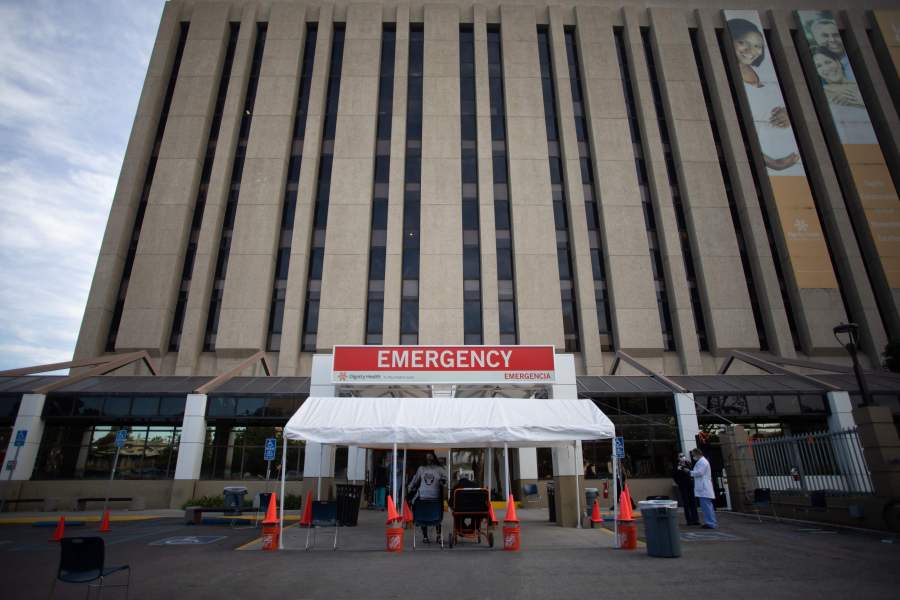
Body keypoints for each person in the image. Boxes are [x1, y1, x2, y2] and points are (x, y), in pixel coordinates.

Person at [728, 18, 803, 175]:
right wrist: (772, 162)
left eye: (757, 46)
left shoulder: (766, 76)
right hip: (772, 166)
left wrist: (787, 112)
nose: (751, 50)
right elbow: (734, 133)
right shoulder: (723, 78)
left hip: (795, 159)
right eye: (743, 42)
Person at [408, 452, 447, 543]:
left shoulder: (438, 469)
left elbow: (446, 481)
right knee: (431, 514)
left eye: (430, 457)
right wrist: (410, 487)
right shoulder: (422, 469)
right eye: (427, 457)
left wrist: (409, 488)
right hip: (427, 498)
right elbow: (415, 481)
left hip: (432, 498)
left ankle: (434, 535)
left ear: (434, 458)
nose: (429, 459)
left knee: (427, 513)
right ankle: (428, 536)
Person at [687, 448, 717, 529]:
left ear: (697, 454)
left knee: (706, 506)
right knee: (706, 506)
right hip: (703, 487)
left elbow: (700, 473)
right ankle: (710, 522)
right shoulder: (701, 461)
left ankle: (711, 523)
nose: (693, 457)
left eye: (693, 455)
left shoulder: (703, 462)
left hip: (704, 488)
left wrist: (689, 472)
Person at [672, 453, 700, 526]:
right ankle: (689, 520)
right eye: (680, 456)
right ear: (678, 458)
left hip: (690, 484)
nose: (682, 457)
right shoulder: (676, 465)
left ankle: (695, 519)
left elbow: (692, 472)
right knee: (686, 502)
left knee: (693, 502)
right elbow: (675, 476)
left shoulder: (688, 463)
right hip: (683, 485)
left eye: (683, 456)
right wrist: (679, 483)